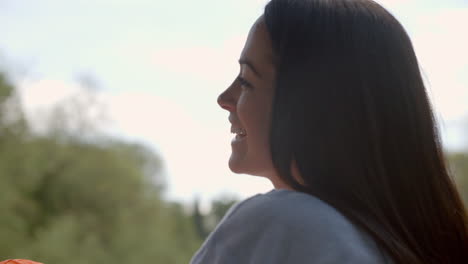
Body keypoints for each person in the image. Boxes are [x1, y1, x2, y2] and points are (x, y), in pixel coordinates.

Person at [190, 0, 468, 263]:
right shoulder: (396, 246)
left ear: (310, 103)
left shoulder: (283, 224)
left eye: (246, 81)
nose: (224, 98)